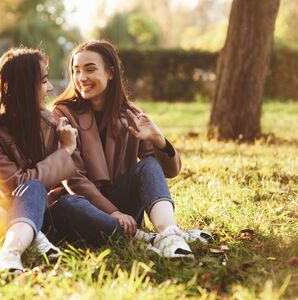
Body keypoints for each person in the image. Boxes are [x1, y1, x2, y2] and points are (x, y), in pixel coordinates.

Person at [52, 40, 212, 258]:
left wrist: (159, 140)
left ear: (110, 73)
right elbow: (72, 178)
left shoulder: (130, 114)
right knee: (66, 204)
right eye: (76, 70)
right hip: (84, 207)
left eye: (90, 69)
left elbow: (163, 172)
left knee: (149, 164)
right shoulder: (62, 113)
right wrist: (114, 213)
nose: (81, 78)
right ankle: (151, 238)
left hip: (124, 206)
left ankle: (168, 233)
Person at [0, 47, 79, 271]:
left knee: (36, 189)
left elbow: (50, 186)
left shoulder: (47, 121)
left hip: (37, 207)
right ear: (20, 87)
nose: (50, 88)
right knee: (30, 187)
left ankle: (26, 239)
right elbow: (15, 185)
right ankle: (15, 249)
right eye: (43, 81)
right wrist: (65, 151)